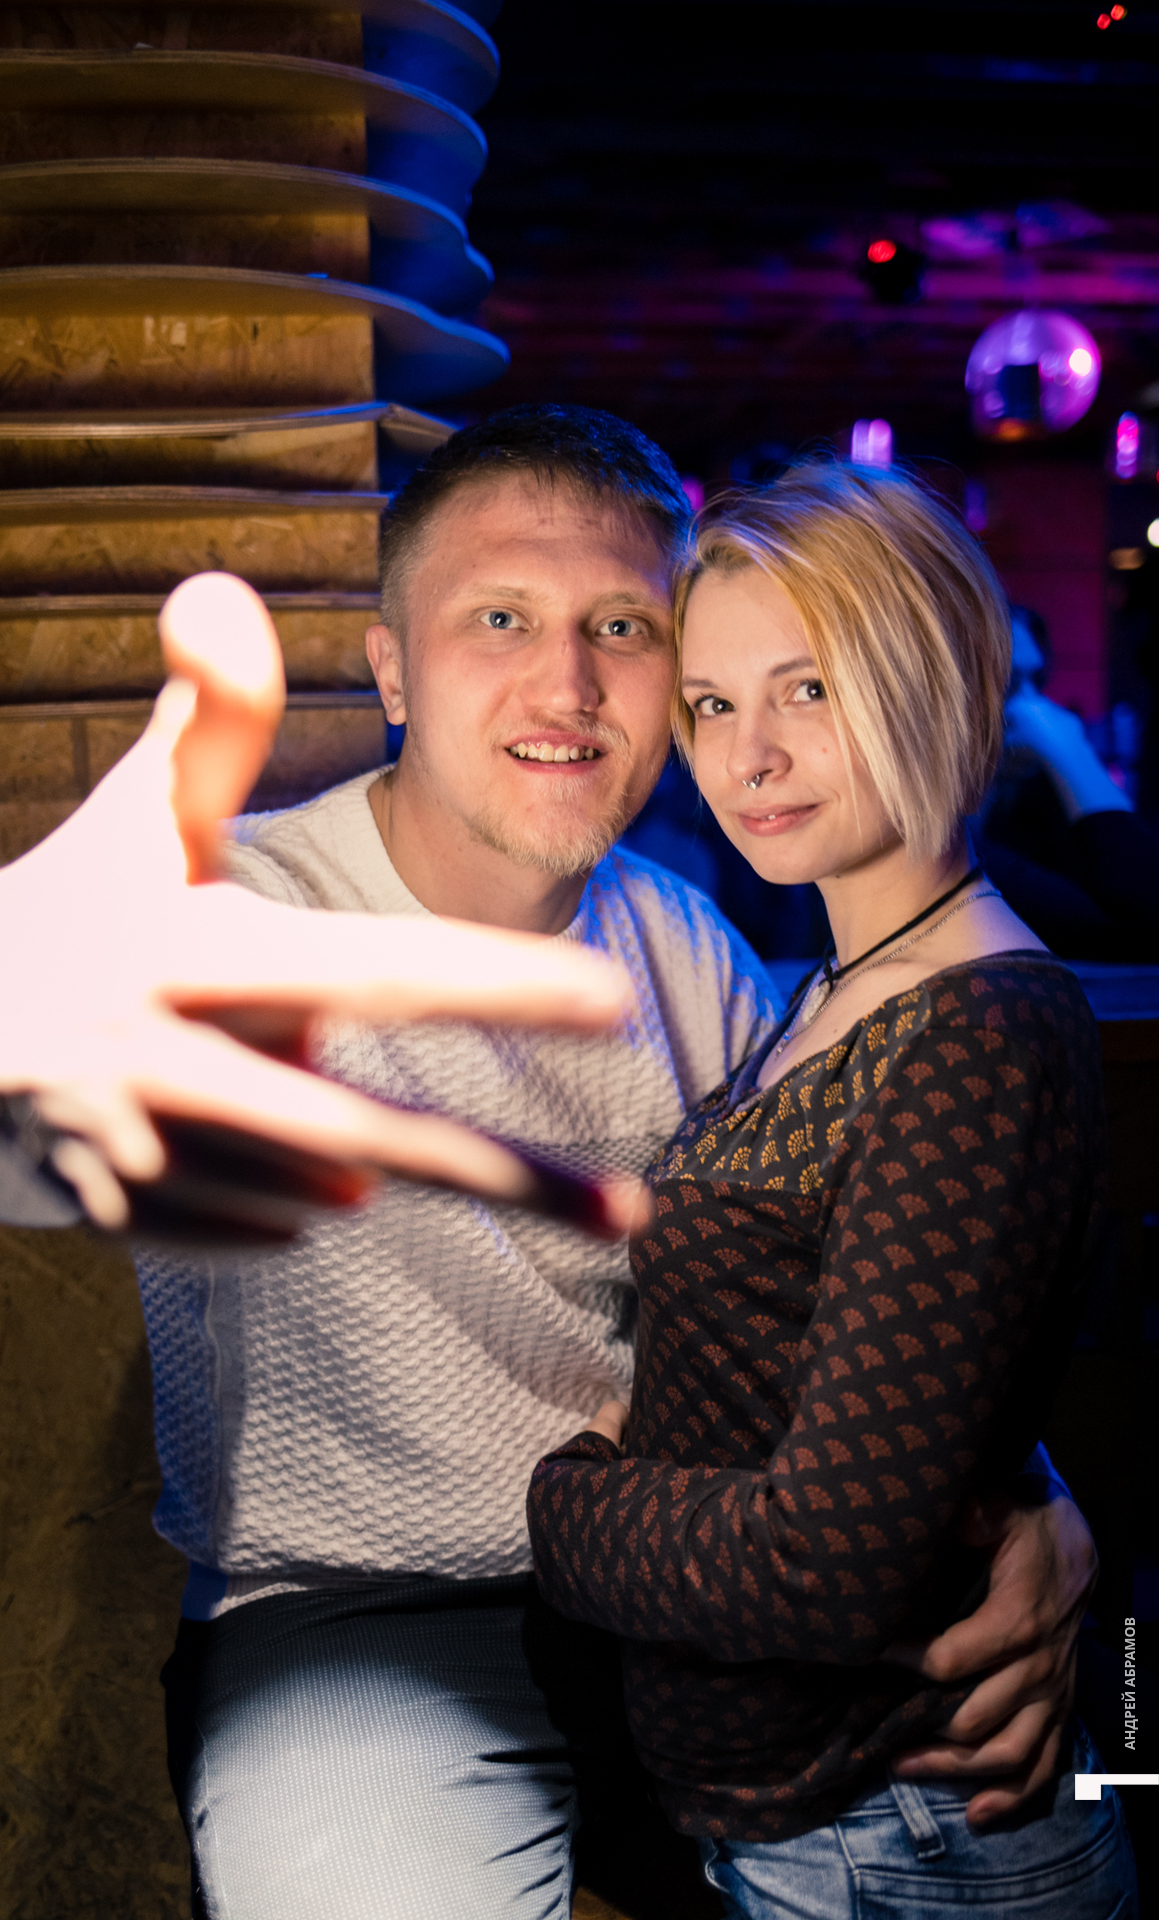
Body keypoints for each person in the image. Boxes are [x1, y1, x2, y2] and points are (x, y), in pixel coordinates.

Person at [0, 410, 1100, 1920]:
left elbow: (861, 1289)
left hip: (699, 1617)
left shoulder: (696, 949)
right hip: (363, 1621)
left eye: (621, 629)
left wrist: (1037, 1504)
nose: (567, 684)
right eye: (501, 620)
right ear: (393, 671)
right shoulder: (236, 910)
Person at [527, 460, 1139, 1917]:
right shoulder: (844, 982)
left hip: (908, 1842)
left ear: (929, 675)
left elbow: (823, 1564)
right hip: (824, 1832)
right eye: (712, 705)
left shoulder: (976, 1033)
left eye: (806, 689)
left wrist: (561, 1508)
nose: (749, 756)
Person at [973, 605, 1159, 960]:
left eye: (1037, 682)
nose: (1035, 709)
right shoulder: (936, 847)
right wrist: (1073, 753)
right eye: (1010, 685)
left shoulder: (1040, 802)